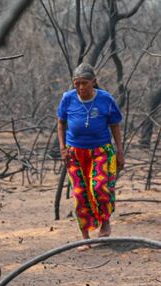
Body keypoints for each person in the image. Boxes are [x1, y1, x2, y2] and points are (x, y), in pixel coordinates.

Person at [57, 63, 125, 251]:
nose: (80, 87)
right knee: (80, 193)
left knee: (100, 187)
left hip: (101, 151)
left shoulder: (105, 99)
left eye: (85, 83)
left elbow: (115, 125)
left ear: (94, 82)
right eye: (77, 83)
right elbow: (61, 123)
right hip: (75, 153)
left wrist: (120, 150)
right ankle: (85, 237)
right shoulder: (67, 99)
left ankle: (105, 222)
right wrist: (62, 148)